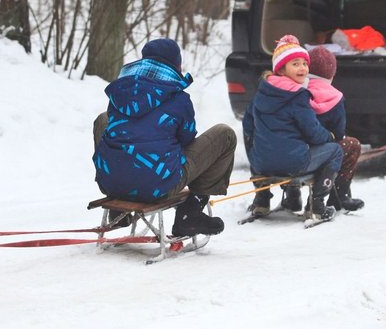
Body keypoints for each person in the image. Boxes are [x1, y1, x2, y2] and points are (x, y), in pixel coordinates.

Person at [92, 38, 236, 237]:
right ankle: (191, 212)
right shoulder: (178, 98)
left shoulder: (120, 92)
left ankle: (120, 206)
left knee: (103, 120)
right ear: (176, 65)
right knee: (225, 134)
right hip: (158, 186)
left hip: (111, 183)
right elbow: (187, 139)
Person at [242, 35, 344, 223]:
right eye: (295, 64)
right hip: (293, 164)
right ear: (281, 68)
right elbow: (312, 131)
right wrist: (329, 137)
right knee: (336, 151)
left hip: (261, 164)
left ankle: (262, 201)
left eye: (305, 63)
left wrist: (257, 148)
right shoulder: (298, 96)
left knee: (256, 144)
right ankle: (318, 206)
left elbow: (247, 125)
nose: (303, 68)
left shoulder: (262, 92)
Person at [305, 46, 365, 212]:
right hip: (321, 150)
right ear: (331, 74)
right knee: (351, 145)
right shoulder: (335, 96)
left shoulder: (297, 90)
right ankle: (341, 194)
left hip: (297, 148)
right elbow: (339, 132)